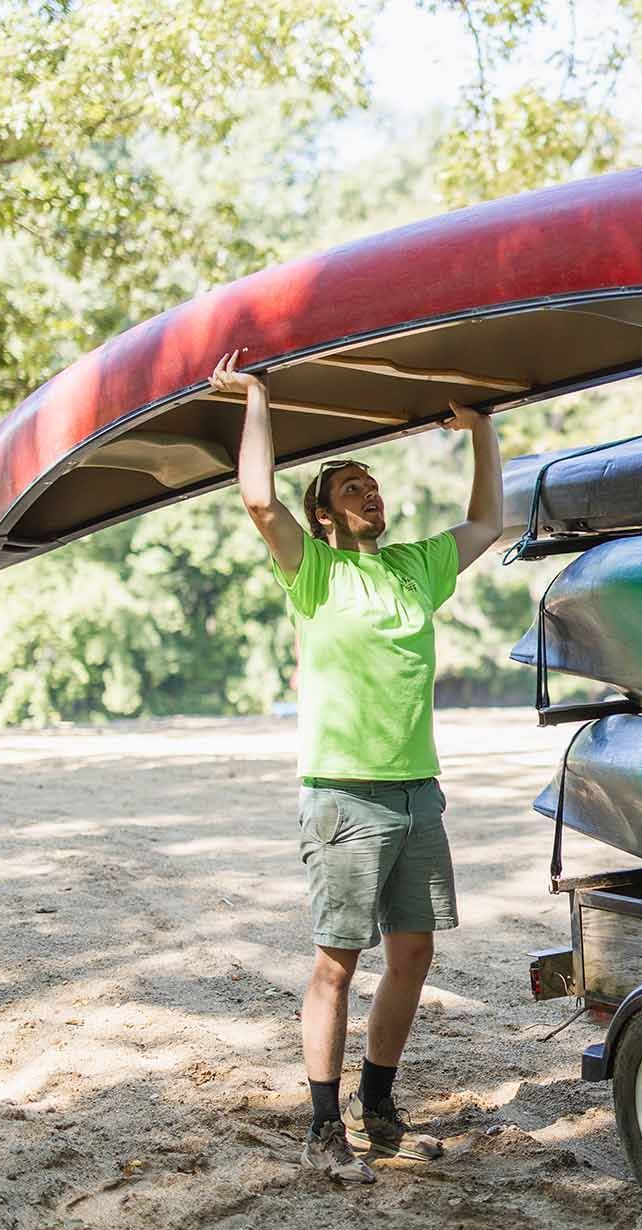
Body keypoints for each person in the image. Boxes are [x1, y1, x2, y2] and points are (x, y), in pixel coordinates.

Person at [210, 349, 505, 1184]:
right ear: (325, 514)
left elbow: (486, 523)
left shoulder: (414, 567)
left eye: (372, 482)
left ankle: (378, 1109)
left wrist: (482, 430)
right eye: (350, 487)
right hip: (344, 796)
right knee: (337, 962)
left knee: (412, 955)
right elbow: (259, 498)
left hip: (419, 793)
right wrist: (258, 399)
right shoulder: (316, 573)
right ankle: (320, 1126)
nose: (368, 492)